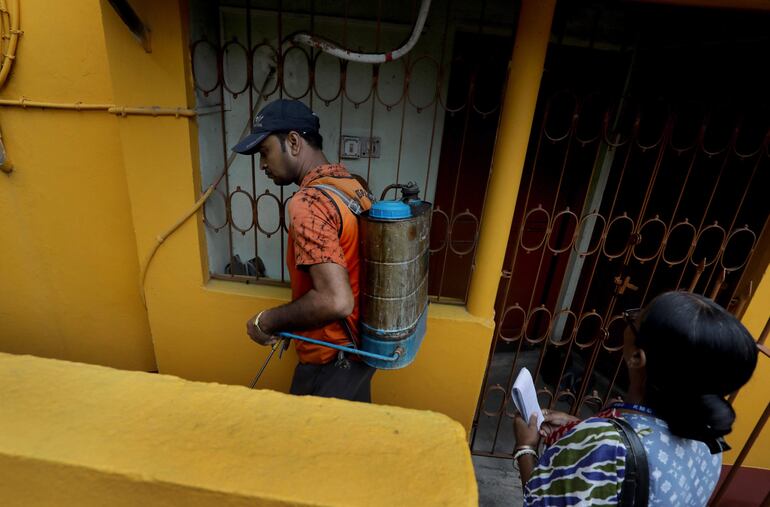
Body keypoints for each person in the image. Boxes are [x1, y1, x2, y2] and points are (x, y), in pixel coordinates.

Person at [513, 291, 758, 506]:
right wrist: (579, 427)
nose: (628, 321)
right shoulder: (710, 439)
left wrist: (526, 448)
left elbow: (541, 502)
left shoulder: (605, 446)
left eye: (634, 319)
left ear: (637, 357)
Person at [232, 99, 376, 402]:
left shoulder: (309, 203)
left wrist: (266, 321)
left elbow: (335, 300)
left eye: (264, 151)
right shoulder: (351, 187)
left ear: (294, 142)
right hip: (359, 356)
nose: (262, 164)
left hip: (329, 364)